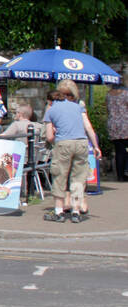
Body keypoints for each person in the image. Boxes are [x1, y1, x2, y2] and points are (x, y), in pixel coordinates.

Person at [43, 79, 100, 223]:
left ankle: (58, 212)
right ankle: (76, 212)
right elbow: (88, 128)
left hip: (63, 144)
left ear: (50, 101)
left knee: (59, 176)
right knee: (78, 179)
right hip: (82, 143)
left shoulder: (51, 110)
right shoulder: (78, 106)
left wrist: (56, 131)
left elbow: (49, 137)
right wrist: (96, 146)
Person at [105, 85, 128, 182]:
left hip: (113, 124)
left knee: (119, 151)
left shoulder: (108, 94)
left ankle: (120, 176)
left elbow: (107, 109)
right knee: (127, 150)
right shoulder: (126, 94)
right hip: (125, 123)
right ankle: (126, 171)